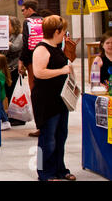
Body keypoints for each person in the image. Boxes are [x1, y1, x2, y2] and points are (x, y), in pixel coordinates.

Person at [31, 15, 76, 181]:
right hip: (46, 100)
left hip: (60, 98)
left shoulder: (56, 46)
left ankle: (60, 168)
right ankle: (44, 173)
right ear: (57, 31)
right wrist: (62, 71)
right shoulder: (42, 48)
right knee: (47, 138)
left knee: (60, 136)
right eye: (63, 30)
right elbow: (39, 72)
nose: (64, 33)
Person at [18, 0, 43, 137]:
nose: (22, 13)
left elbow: (26, 42)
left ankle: (40, 126)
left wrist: (22, 61)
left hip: (33, 61)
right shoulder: (45, 20)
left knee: (35, 93)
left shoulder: (28, 22)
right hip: (46, 60)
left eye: (23, 10)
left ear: (29, 9)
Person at [2, 16, 24, 126]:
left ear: (14, 26)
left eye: (8, 24)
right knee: (8, 92)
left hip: (15, 68)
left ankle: (18, 117)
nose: (6, 27)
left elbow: (16, 47)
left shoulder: (19, 36)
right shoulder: (8, 37)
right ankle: (12, 115)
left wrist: (9, 45)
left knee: (15, 93)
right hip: (7, 68)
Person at [0, 54, 12, 131]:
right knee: (0, 107)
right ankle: (3, 121)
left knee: (0, 108)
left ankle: (5, 121)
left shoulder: (0, 73)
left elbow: (0, 82)